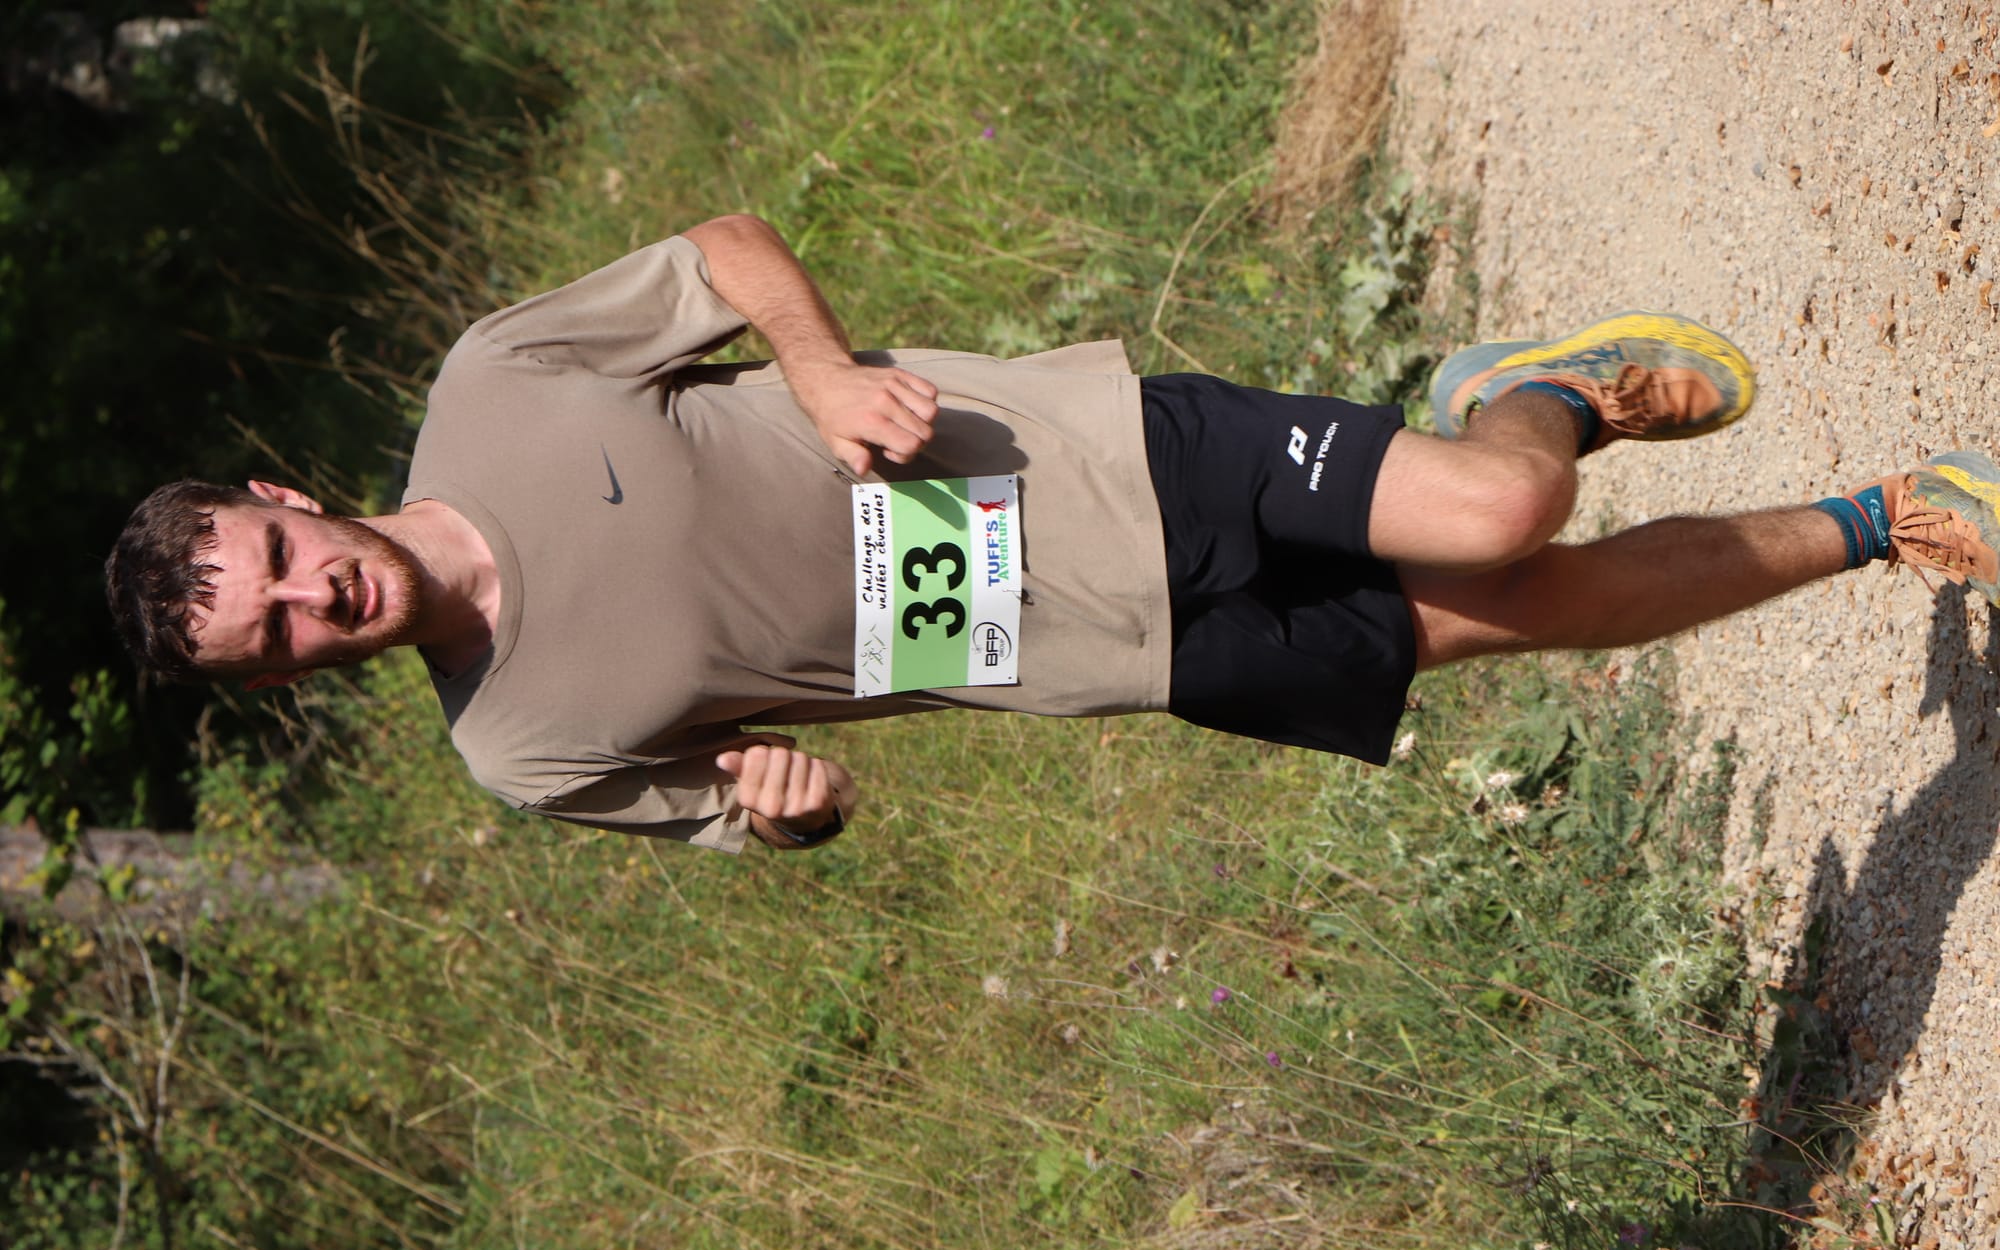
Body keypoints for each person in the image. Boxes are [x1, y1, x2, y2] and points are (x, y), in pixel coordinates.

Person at [104, 214, 2000, 854]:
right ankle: (1884, 518)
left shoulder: (495, 383)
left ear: (283, 504)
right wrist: (785, 807)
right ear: (282, 674)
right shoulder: (517, 751)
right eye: (271, 637)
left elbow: (726, 253)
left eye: (275, 566)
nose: (309, 601)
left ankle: (1551, 384)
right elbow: (769, 811)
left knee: (1510, 504)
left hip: (1090, 459)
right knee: (1552, 612)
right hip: (1093, 652)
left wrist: (828, 370)